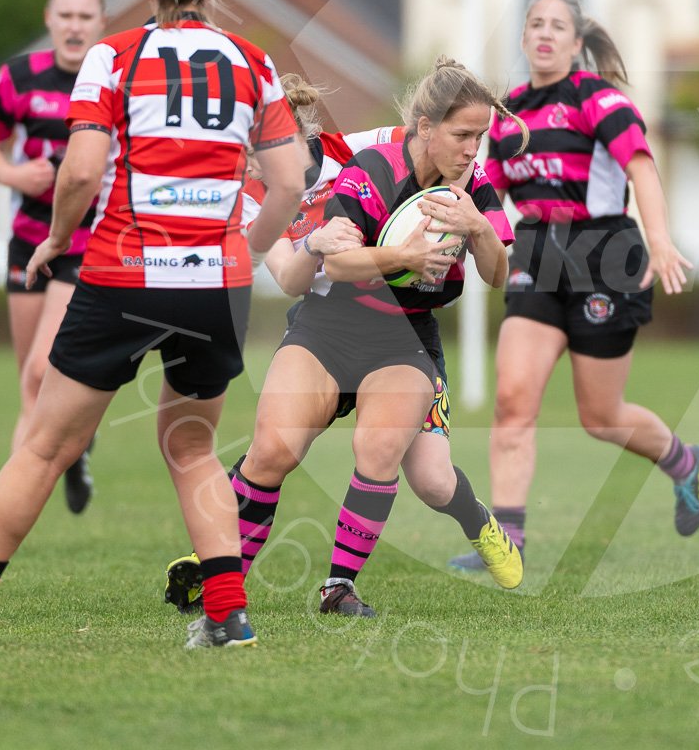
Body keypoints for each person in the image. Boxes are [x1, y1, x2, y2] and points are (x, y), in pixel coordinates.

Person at [0, 0, 306, 649]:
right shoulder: (254, 62)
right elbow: (288, 182)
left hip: (125, 272)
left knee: (41, 447)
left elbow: (83, 171)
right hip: (214, 286)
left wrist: (58, 240)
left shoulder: (114, 56)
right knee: (192, 450)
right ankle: (227, 617)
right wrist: (238, 252)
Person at [170, 58, 528, 619]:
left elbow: (496, 268)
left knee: (429, 479)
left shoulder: (371, 154)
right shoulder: (249, 197)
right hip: (328, 323)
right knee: (273, 449)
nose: (473, 148)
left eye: (478, 136)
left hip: (405, 335)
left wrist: (478, 226)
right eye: (466, 136)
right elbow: (294, 277)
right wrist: (336, 248)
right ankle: (222, 572)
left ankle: (462, 528)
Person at [449, 0, 699, 575]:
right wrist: (462, 236)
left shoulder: (600, 100)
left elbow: (642, 166)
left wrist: (660, 239)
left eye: (556, 25)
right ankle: (507, 543)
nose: (544, 33)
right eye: (534, 24)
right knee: (513, 402)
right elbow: (489, 195)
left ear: (575, 41)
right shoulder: (506, 113)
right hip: (537, 257)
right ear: (523, 39)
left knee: (601, 417)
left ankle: (685, 463)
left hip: (605, 257)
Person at [0, 0, 107, 512]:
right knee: (32, 379)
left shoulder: (114, 76)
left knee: (36, 376)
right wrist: (12, 173)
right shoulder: (19, 77)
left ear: (101, 22)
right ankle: (72, 451)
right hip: (27, 237)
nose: (74, 28)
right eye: (66, 17)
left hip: (84, 242)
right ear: (49, 19)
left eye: (85, 18)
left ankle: (7, 507)